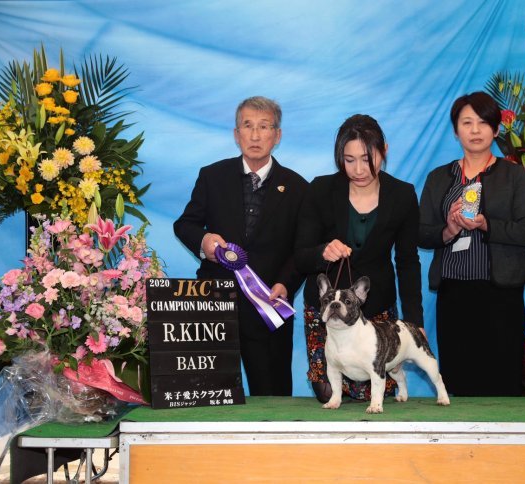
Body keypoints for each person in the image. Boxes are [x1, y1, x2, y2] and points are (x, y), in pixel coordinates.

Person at [174, 96, 308, 396]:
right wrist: (204, 241)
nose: (256, 135)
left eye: (264, 126)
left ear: (277, 135)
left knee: (273, 399)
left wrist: (286, 284)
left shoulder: (298, 187)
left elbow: (303, 248)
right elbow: (185, 224)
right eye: (248, 126)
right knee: (207, 395)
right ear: (237, 134)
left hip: (269, 307)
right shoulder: (212, 176)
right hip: (215, 305)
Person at [418, 91, 525, 397]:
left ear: (496, 130)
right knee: (457, 380)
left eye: (483, 123)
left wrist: (487, 224)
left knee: (501, 379)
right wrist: (448, 229)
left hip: (501, 294)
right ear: (456, 129)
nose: (475, 130)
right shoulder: (439, 177)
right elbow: (420, 232)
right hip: (454, 293)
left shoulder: (513, 175)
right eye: (467, 122)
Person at [295, 114, 423, 403]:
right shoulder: (320, 190)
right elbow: (300, 255)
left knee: (376, 396)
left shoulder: (403, 195)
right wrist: (322, 252)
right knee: (329, 394)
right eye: (348, 159)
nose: (358, 169)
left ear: (384, 149)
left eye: (367, 158)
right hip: (326, 314)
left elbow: (407, 261)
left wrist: (415, 322)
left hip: (376, 314)